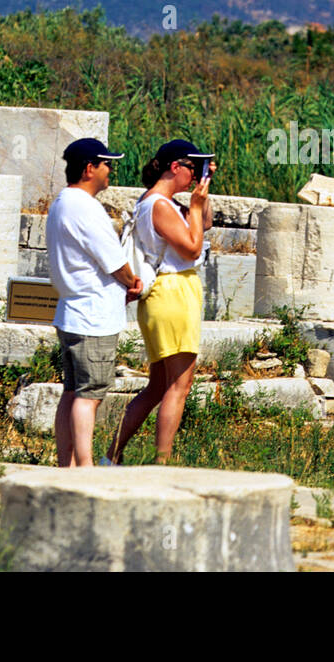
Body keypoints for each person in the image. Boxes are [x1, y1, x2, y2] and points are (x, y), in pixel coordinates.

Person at [109, 138, 215, 465]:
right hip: (173, 294)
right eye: (192, 168)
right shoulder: (159, 206)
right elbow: (193, 249)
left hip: (166, 295)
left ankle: (112, 456)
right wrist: (195, 207)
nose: (194, 176)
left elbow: (204, 225)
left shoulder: (155, 202)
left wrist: (204, 192)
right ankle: (161, 464)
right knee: (180, 386)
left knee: (157, 386)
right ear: (174, 167)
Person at [47, 137, 142, 467]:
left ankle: (66, 464)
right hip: (93, 316)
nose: (110, 170)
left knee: (72, 392)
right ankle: (86, 467)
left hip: (72, 311)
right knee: (90, 396)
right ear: (90, 168)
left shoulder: (62, 202)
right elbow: (114, 261)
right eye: (107, 164)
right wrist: (134, 283)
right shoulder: (86, 207)